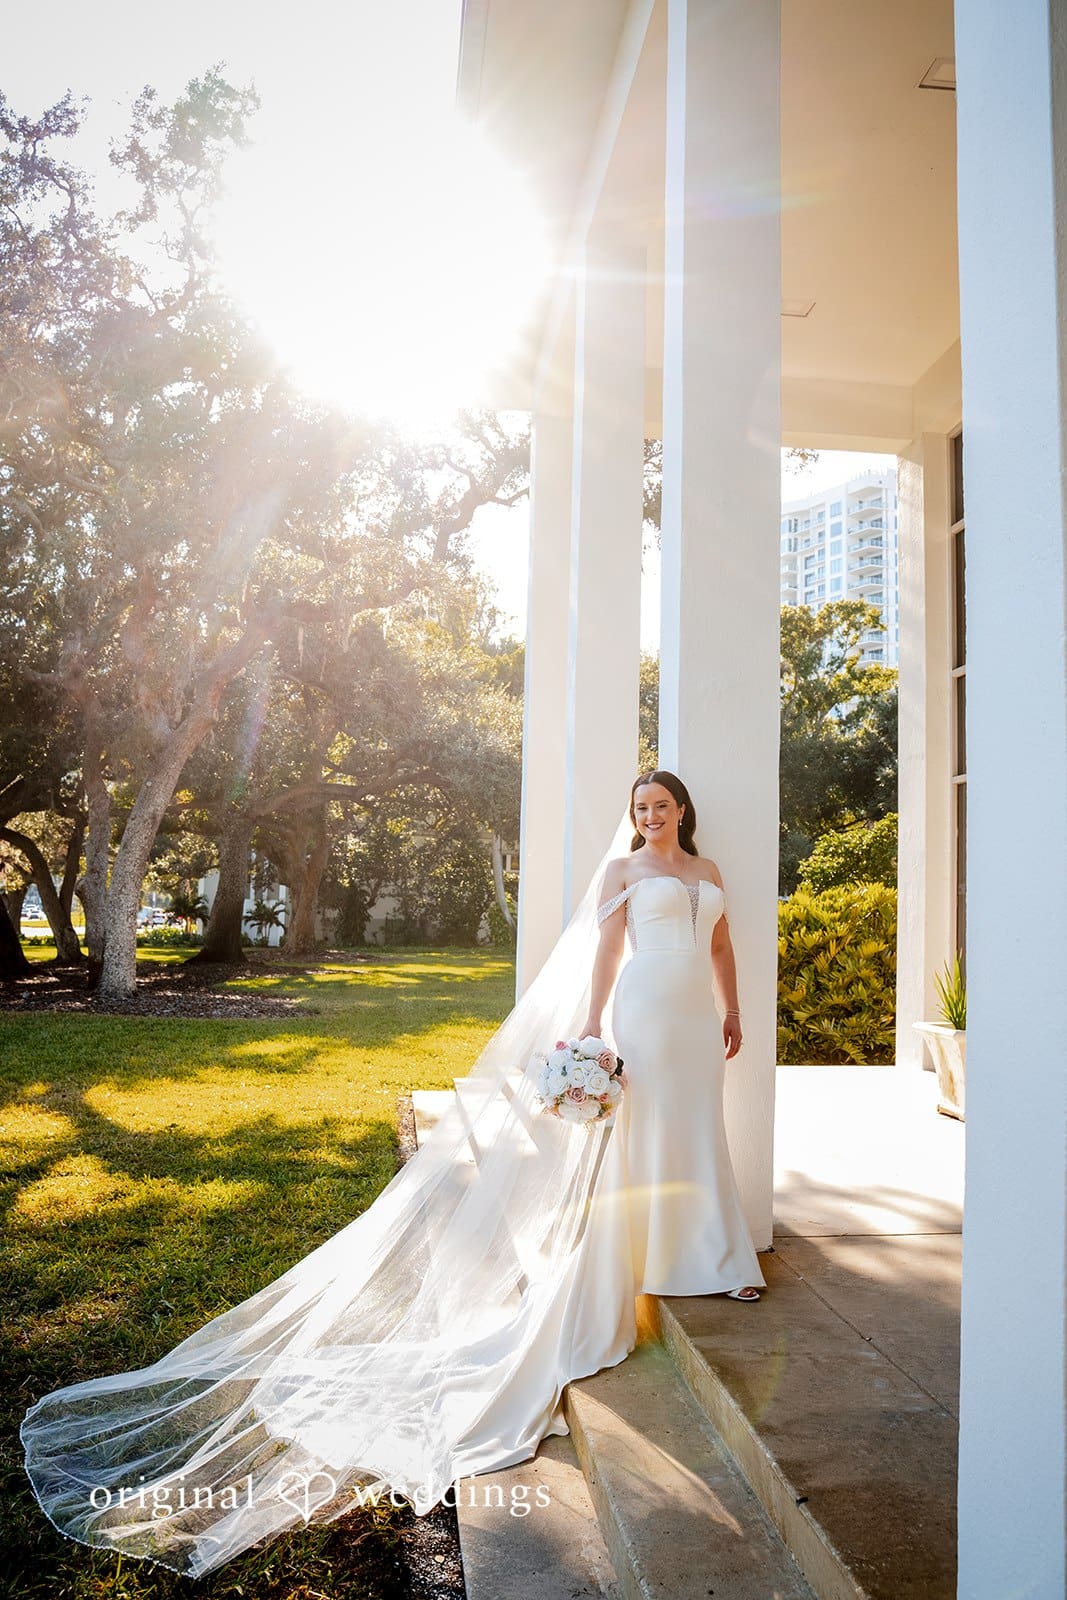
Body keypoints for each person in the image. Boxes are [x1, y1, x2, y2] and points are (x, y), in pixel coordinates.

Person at [20, 768, 765, 1578]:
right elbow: (606, 953)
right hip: (646, 1010)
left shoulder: (707, 874)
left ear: (683, 809)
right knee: (643, 1141)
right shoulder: (625, 872)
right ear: (635, 817)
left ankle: (715, 1257)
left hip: (697, 1018)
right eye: (639, 808)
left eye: (660, 806)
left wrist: (732, 1009)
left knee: (698, 1132)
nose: (650, 817)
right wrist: (588, 1030)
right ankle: (647, 1258)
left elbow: (721, 944)